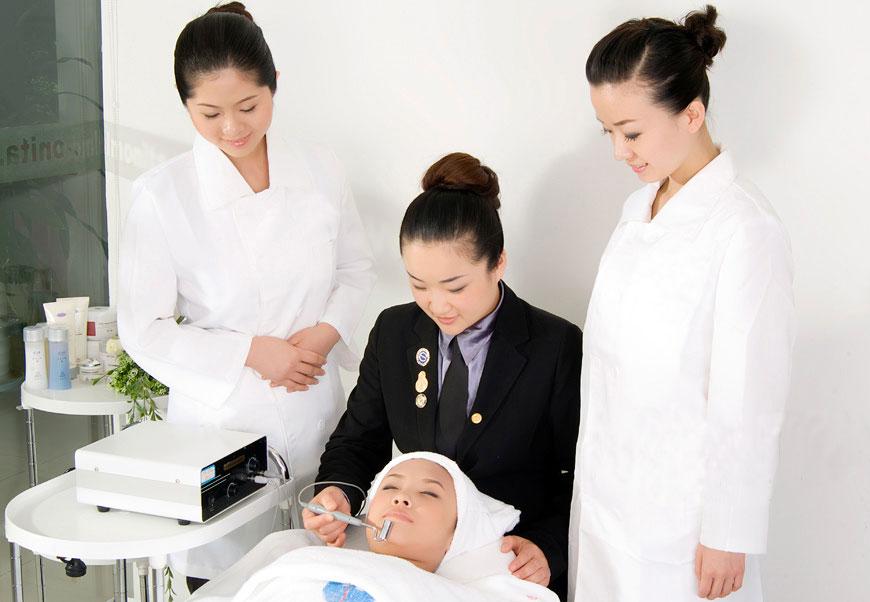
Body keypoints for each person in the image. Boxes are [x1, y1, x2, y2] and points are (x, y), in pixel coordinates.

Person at [117, 2, 375, 588]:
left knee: (320, 575)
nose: (232, 128)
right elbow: (143, 328)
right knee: (227, 581)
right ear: (185, 103)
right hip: (224, 423)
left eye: (249, 107)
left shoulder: (321, 169)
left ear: (274, 84)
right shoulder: (163, 196)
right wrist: (254, 353)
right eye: (209, 113)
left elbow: (356, 268)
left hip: (315, 407)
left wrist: (325, 333)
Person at [568, 5, 795, 601]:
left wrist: (728, 532)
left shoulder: (744, 229)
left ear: (692, 114)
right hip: (610, 502)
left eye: (631, 132)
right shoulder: (638, 211)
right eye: (608, 132)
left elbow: (749, 399)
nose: (618, 152)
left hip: (683, 526)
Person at [303, 152, 581, 598]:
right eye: (418, 285)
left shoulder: (554, 346)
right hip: (412, 565)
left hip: (507, 565)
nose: (437, 305)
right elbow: (358, 441)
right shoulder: (395, 331)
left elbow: (584, 474)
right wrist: (340, 493)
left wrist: (548, 546)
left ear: (498, 263)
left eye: (455, 287)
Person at [229, 452, 559, 602]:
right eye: (389, 487)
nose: (401, 497)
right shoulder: (303, 560)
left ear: (457, 533)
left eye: (429, 493)